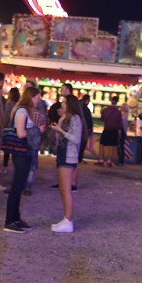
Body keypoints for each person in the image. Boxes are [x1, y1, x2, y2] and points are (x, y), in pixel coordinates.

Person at [49, 94, 84, 232]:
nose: (61, 104)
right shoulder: (66, 117)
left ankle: (68, 221)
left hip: (69, 156)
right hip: (62, 154)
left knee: (66, 190)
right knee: (63, 189)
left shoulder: (75, 119)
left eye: (64, 102)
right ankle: (65, 218)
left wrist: (60, 130)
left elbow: (76, 139)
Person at [3, 87, 35, 233]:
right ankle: (10, 221)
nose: (39, 100)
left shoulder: (21, 110)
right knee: (17, 186)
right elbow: (21, 133)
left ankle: (16, 218)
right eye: (37, 97)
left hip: (22, 152)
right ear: (31, 97)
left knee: (19, 185)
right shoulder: (22, 111)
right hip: (21, 152)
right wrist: (35, 131)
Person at [98, 95, 124, 167]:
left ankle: (101, 160)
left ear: (111, 101)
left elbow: (102, 119)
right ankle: (109, 161)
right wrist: (119, 133)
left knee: (102, 145)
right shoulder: (118, 112)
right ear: (117, 102)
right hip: (114, 131)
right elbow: (119, 124)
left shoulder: (105, 110)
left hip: (106, 129)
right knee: (111, 147)